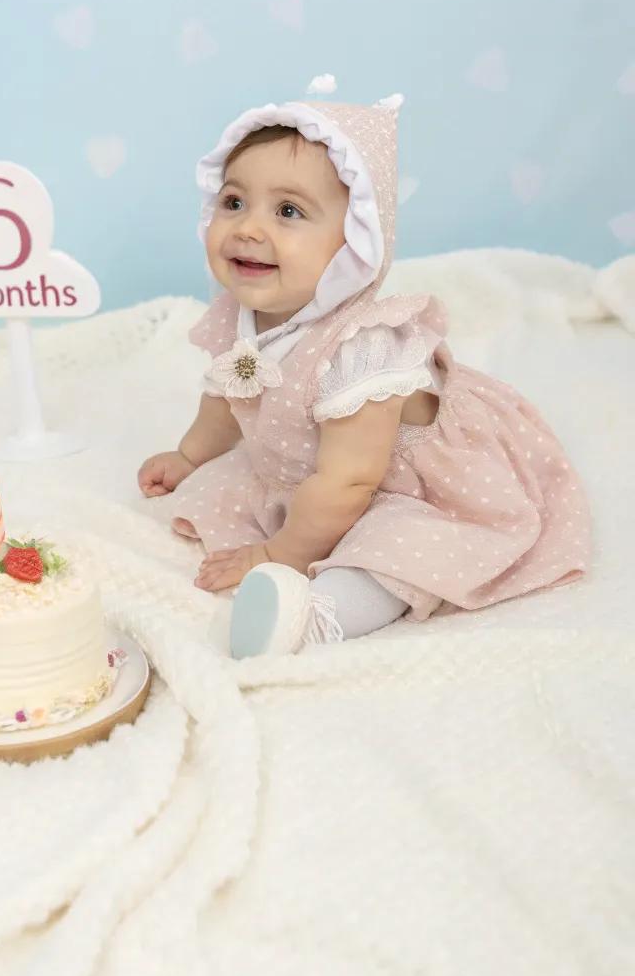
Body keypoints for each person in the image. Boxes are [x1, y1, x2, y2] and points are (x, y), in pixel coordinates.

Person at [137, 92, 590, 656]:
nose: (249, 228)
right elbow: (226, 396)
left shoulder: (362, 348)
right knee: (230, 486)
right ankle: (302, 555)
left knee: (396, 551)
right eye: (234, 202)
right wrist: (188, 457)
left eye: (287, 211)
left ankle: (317, 617)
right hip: (317, 474)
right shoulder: (242, 315)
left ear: (355, 242)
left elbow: (351, 483)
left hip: (403, 482)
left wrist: (279, 556)